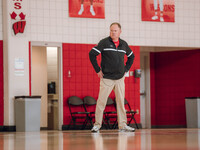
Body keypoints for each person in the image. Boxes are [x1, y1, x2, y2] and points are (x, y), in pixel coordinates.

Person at [89, 22, 135, 132]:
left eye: (115, 31)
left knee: (120, 102)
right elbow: (92, 54)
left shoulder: (124, 44)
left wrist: (126, 69)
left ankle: (123, 125)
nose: (113, 32)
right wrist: (97, 70)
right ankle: (97, 125)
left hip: (119, 78)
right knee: (101, 102)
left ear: (120, 32)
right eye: (111, 30)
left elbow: (131, 56)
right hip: (107, 78)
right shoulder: (104, 42)